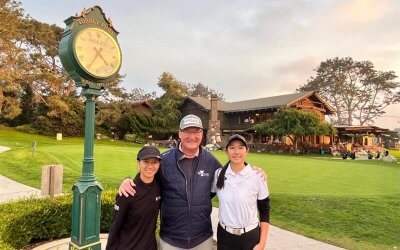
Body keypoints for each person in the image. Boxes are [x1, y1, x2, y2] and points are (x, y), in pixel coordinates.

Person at [119, 114, 222, 249]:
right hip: (171, 240)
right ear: (180, 133)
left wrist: (253, 170)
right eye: (187, 131)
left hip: (202, 239)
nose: (192, 136)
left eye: (196, 131)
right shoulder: (164, 160)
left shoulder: (210, 161)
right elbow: (146, 181)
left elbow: (230, 178)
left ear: (202, 134)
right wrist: (127, 180)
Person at [212, 134, 270, 250]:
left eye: (241, 147)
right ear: (226, 151)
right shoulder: (218, 174)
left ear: (247, 151)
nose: (236, 152)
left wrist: (262, 243)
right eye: (232, 147)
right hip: (224, 236)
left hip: (249, 237)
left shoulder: (257, 176)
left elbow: (264, 210)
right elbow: (206, 195)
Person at [106, 146, 162, 250]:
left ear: (159, 164)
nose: (150, 166)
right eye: (146, 161)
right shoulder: (128, 191)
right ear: (138, 163)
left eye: (154, 162)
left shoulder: (159, 187)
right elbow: (115, 227)